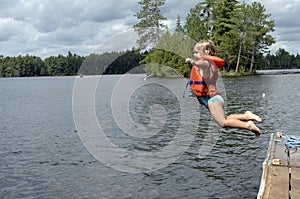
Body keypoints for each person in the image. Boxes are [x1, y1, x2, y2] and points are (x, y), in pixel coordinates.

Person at [185, 40, 262, 136]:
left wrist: (193, 62)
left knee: (223, 123)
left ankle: (248, 125)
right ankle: (246, 116)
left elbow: (202, 64)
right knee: (226, 119)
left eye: (196, 52)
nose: (194, 54)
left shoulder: (206, 64)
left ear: (207, 52)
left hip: (212, 99)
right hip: (213, 98)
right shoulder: (209, 64)